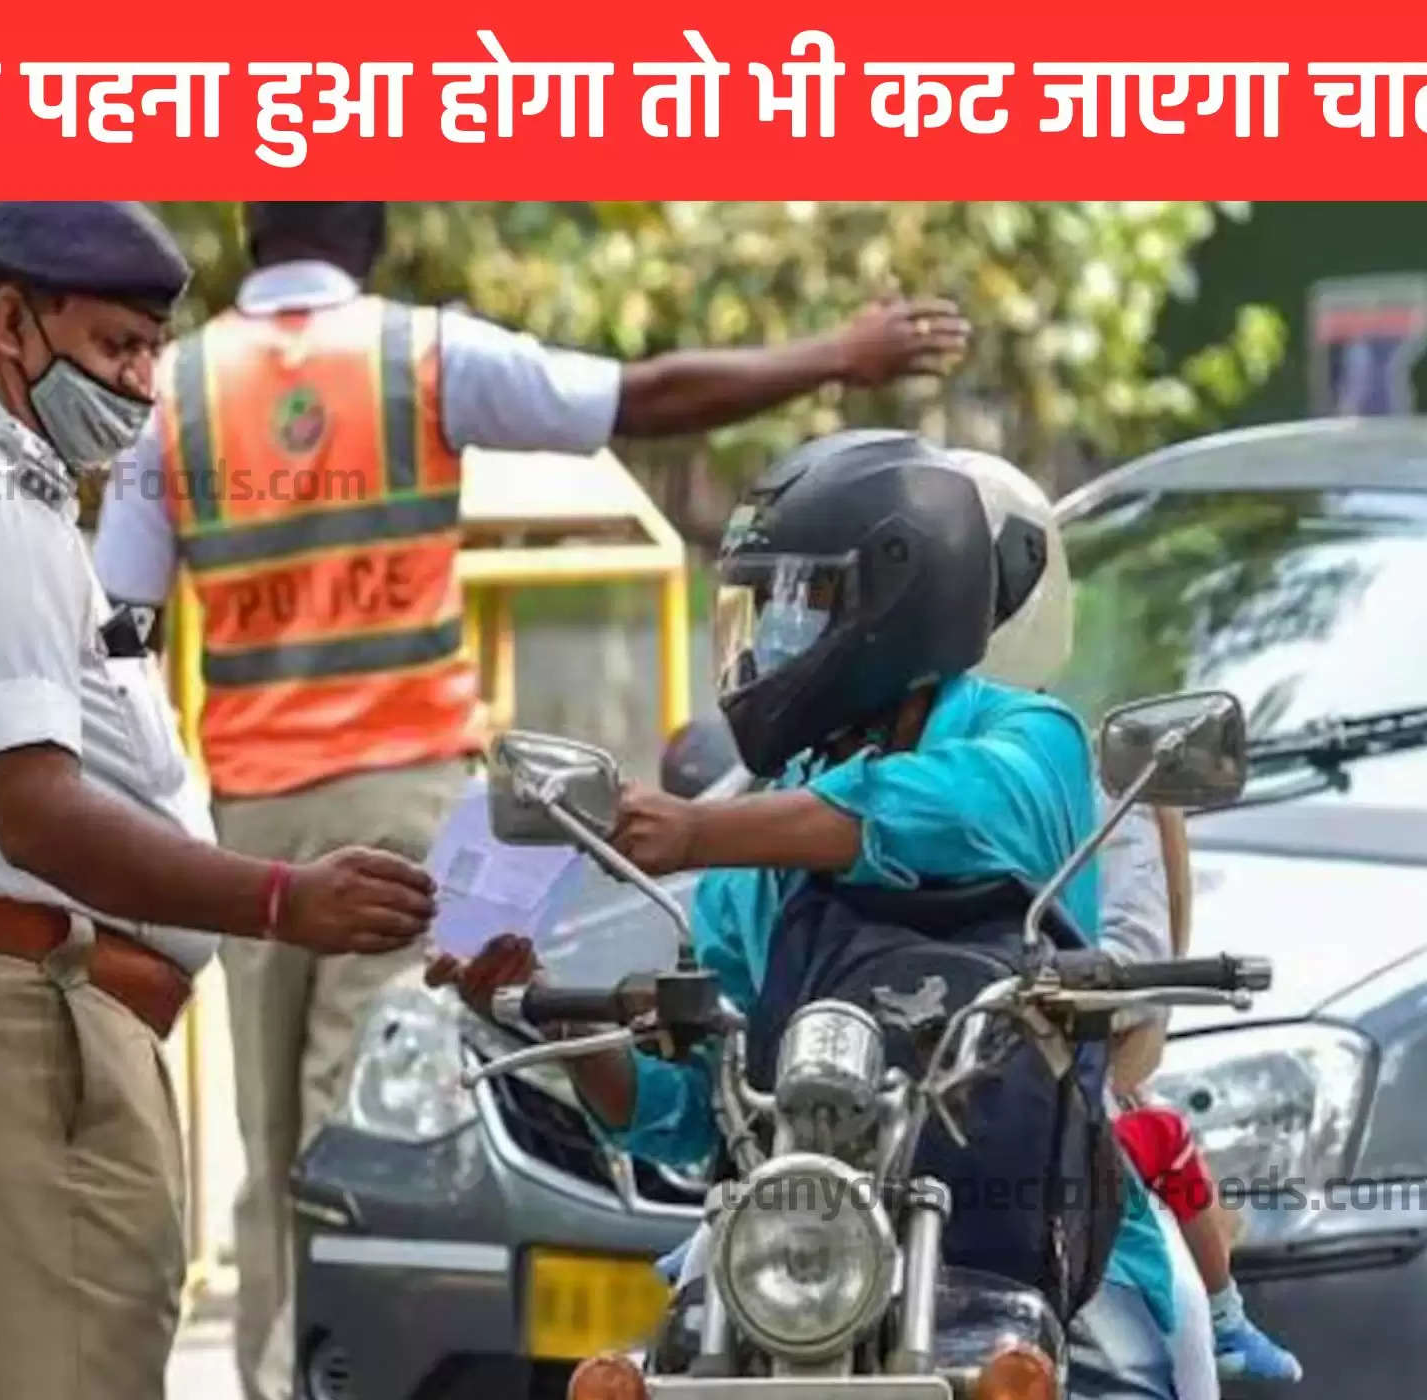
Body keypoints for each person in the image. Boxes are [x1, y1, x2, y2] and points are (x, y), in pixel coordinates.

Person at [90, 200, 973, 1400]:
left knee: (270, 1144)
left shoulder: (177, 393)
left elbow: (120, 626)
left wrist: (156, 822)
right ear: (375, 232)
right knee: (362, 1121)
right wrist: (836, 355)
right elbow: (640, 396)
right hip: (406, 800)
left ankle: (276, 1370)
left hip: (248, 819)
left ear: (251, 235)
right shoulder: (422, 354)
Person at [0, 201, 437, 1400]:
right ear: (8, 322)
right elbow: (35, 807)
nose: (141, 385)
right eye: (113, 348)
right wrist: (285, 899)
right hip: (17, 1031)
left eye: (151, 350)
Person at [431, 429, 1181, 1398]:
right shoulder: (763, 832)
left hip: (1055, 1229)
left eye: (798, 606)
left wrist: (704, 832)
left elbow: (945, 811)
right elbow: (697, 1111)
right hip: (804, 1252)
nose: (767, 641)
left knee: (1147, 1367)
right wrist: (563, 1018)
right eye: (763, 607)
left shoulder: (1027, 736)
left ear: (897, 598)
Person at [956, 450, 1300, 1390]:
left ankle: (1218, 1329)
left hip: (1040, 1130)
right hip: (837, 1160)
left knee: (1169, 1331)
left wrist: (1064, 987)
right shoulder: (813, 787)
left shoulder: (1086, 771)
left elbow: (1136, 974)